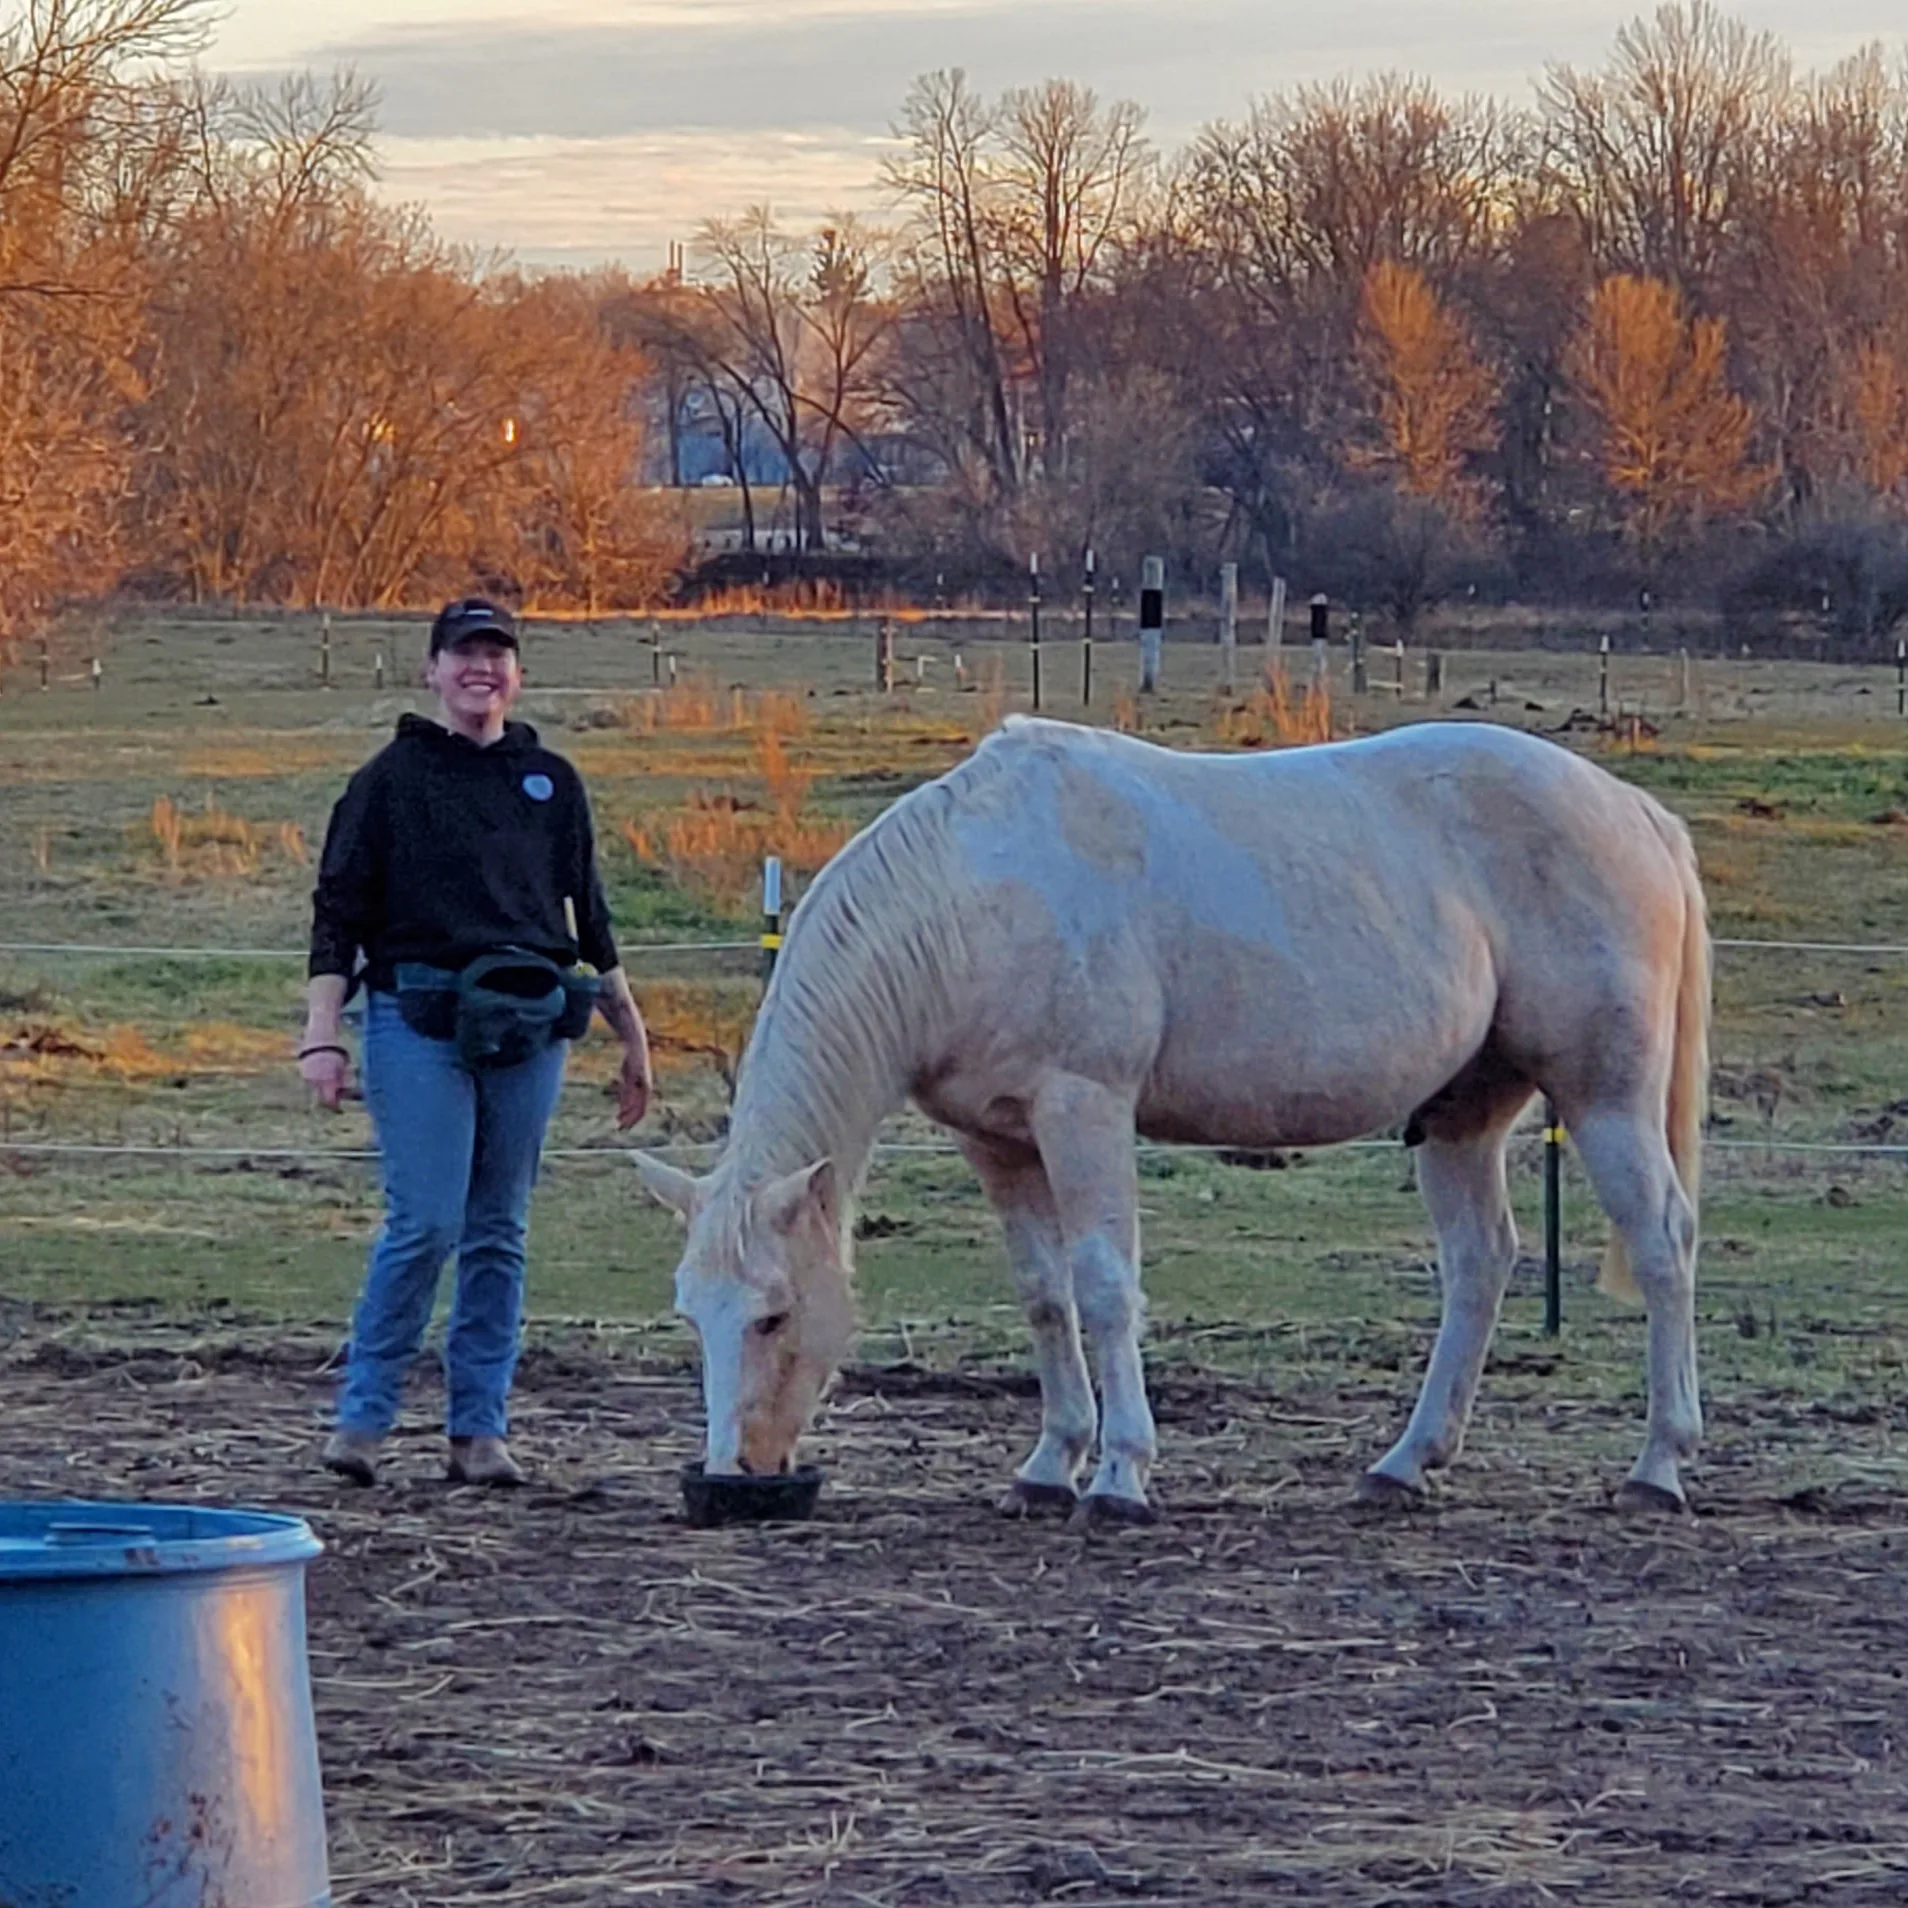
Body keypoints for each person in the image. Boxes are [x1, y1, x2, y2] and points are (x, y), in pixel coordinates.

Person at [299, 596, 651, 1487]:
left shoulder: (551, 783)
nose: (479, 670)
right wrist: (322, 1036)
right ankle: (364, 1421)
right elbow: (337, 914)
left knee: (500, 1229)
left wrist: (629, 1031)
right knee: (426, 1220)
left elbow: (588, 914)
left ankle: (479, 1430)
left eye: (495, 654)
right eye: (463, 654)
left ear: (517, 672)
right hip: (419, 1015)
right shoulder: (388, 780)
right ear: (432, 669)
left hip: (531, 1019)